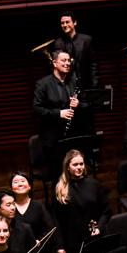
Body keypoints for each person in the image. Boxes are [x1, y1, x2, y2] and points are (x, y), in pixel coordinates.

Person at [52, 149, 110, 253]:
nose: (79, 167)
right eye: (75, 164)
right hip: (73, 242)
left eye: (81, 164)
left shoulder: (94, 184)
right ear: (67, 167)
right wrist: (60, 245)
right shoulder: (60, 188)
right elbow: (57, 220)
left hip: (93, 238)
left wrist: (100, 227)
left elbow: (106, 210)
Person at [33, 50, 80, 179]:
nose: (67, 63)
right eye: (63, 60)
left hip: (72, 135)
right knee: (58, 175)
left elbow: (82, 103)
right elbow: (37, 109)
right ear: (54, 63)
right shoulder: (43, 84)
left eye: (69, 60)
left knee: (75, 173)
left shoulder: (73, 81)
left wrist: (78, 103)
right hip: (52, 139)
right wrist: (59, 113)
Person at [10, 171, 64, 253]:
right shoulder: (9, 208)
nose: (20, 184)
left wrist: (39, 241)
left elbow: (50, 229)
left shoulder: (38, 206)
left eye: (23, 181)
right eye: (16, 182)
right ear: (11, 188)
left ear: (29, 186)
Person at [53, 10, 98, 91]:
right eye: (62, 23)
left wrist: (94, 84)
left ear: (75, 23)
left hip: (86, 84)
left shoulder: (86, 40)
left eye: (67, 22)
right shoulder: (58, 43)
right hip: (67, 86)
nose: (65, 25)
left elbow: (93, 64)